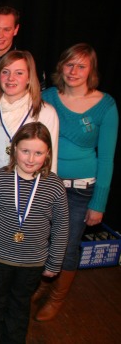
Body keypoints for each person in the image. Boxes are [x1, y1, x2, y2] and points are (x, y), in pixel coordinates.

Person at [0, 49, 59, 324]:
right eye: (6, 72)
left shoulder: (45, 112)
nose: (11, 78)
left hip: (30, 196)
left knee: (18, 258)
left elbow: (50, 163)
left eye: (19, 72)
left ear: (30, 77)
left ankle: (12, 307)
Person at [34, 43, 118, 321]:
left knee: (67, 246)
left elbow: (106, 158)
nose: (74, 71)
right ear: (61, 67)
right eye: (69, 64)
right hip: (48, 185)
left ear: (91, 71)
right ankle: (41, 285)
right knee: (41, 240)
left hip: (82, 190)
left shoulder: (105, 105)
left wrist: (99, 203)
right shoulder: (47, 97)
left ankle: (57, 297)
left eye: (81, 66)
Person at [0, 122, 69, 343]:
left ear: (48, 154)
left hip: (32, 263)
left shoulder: (54, 186)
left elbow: (62, 226)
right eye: (25, 151)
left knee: (19, 307)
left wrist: (54, 262)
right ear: (14, 149)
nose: (30, 158)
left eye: (38, 153)